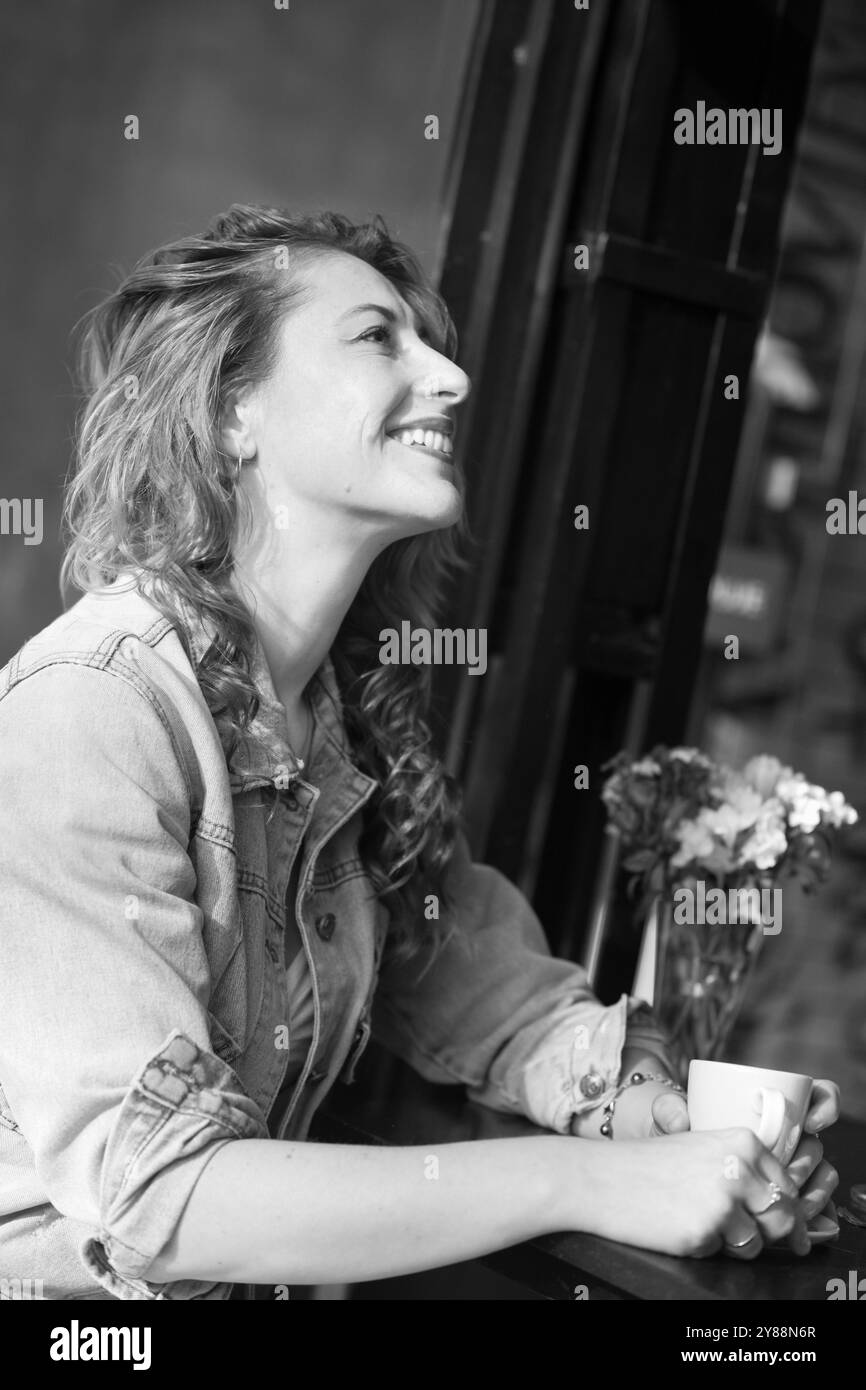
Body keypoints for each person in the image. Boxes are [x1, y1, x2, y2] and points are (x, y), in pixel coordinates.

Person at [0, 205, 838, 1301]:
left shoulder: (341, 733)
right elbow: (161, 1203)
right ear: (229, 409)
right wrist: (587, 1179)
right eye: (376, 337)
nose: (448, 376)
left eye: (428, 339)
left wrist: (662, 1119)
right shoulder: (93, 707)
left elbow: (507, 1009)